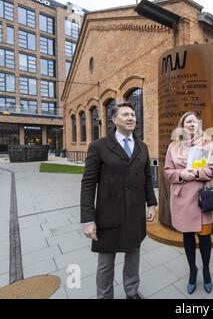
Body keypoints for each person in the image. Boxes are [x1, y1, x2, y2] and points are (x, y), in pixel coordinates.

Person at [80, 101, 157, 299]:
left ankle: (132, 292)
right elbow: (88, 184)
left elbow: (147, 177)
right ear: (114, 120)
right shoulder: (98, 147)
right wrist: (88, 220)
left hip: (134, 213)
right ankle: (104, 296)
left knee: (133, 257)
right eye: (126, 115)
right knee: (105, 264)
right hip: (108, 215)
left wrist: (152, 203)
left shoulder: (142, 146)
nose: (131, 117)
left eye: (133, 114)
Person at [164, 111, 213, 295]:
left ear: (198, 125)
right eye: (188, 121)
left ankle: (206, 270)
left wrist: (195, 173)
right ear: (182, 125)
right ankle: (192, 272)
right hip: (182, 200)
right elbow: (167, 172)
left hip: (203, 199)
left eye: (194, 121)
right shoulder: (173, 146)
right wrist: (181, 174)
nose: (191, 124)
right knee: (187, 237)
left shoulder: (207, 143)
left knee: (205, 238)